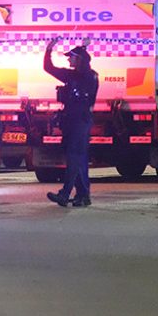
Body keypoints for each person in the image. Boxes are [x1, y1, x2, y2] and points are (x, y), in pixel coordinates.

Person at [43, 39, 99, 208]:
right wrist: (49, 50)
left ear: (79, 59)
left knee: (74, 158)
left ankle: (66, 193)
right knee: (77, 159)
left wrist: (83, 49)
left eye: (71, 57)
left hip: (80, 122)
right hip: (72, 121)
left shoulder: (88, 76)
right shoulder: (74, 75)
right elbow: (48, 68)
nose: (68, 60)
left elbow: (84, 87)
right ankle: (83, 195)